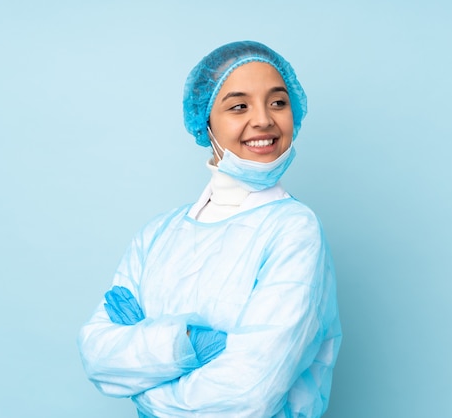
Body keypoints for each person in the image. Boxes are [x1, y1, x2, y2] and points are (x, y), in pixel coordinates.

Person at [77, 40, 342, 417]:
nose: (264, 119)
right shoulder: (158, 235)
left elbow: (250, 392)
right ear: (205, 121)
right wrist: (185, 344)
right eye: (238, 106)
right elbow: (98, 355)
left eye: (278, 102)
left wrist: (146, 388)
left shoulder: (295, 230)